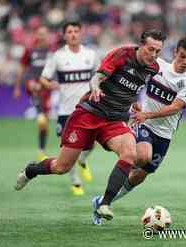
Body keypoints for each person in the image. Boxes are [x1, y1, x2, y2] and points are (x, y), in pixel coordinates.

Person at [14, 29, 166, 219]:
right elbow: (98, 77)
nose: (153, 55)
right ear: (141, 45)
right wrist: (94, 86)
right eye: (150, 49)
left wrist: (135, 101)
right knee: (62, 167)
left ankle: (104, 204)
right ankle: (31, 170)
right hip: (89, 114)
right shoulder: (121, 55)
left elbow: (136, 85)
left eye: (157, 51)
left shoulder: (154, 68)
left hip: (115, 119)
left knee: (130, 152)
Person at [91, 36, 186, 225]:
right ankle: (125, 159)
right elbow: (135, 78)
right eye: (182, 56)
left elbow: (176, 107)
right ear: (175, 52)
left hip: (165, 134)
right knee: (142, 156)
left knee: (140, 175)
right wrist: (134, 102)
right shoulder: (157, 65)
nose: (185, 62)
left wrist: (147, 114)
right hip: (144, 124)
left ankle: (101, 202)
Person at [39, 21, 98, 196]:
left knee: (92, 144)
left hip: (88, 108)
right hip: (66, 111)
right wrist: (51, 86)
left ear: (81, 34)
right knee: (68, 149)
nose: (73, 34)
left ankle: (82, 160)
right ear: (64, 35)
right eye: (69, 31)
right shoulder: (57, 56)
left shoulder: (91, 55)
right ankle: (76, 182)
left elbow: (101, 76)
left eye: (76, 31)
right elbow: (43, 78)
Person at [13, 26, 52, 161]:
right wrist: (18, 87)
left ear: (48, 35)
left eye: (44, 34)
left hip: (51, 90)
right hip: (36, 90)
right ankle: (41, 151)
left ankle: (45, 147)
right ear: (36, 35)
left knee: (46, 122)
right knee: (42, 120)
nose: (41, 36)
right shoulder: (30, 50)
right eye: (39, 34)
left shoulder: (54, 50)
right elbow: (22, 68)